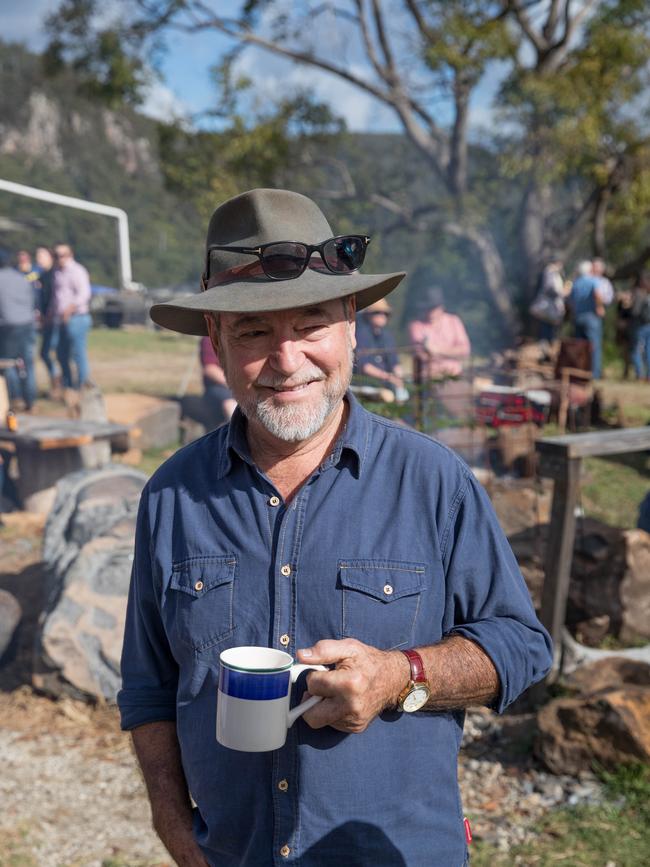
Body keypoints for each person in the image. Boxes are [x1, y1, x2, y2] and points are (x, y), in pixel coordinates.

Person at [118, 188, 552, 867]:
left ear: (351, 321)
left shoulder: (433, 480)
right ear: (218, 344)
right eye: (254, 332)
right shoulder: (171, 494)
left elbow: (521, 646)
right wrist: (175, 829)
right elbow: (147, 688)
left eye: (310, 324)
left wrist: (402, 673)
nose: (286, 360)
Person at [51, 243, 92, 390]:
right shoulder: (57, 272)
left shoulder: (77, 271)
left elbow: (84, 294)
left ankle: (82, 386)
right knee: (61, 354)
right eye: (55, 256)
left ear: (70, 255)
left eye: (61, 255)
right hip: (61, 319)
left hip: (77, 318)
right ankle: (68, 386)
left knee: (78, 354)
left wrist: (69, 309)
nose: (58, 259)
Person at [0, 248, 36, 410]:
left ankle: (16, 397)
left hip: (8, 327)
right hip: (28, 324)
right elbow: (32, 300)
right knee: (27, 363)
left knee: (8, 363)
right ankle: (30, 399)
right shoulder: (21, 278)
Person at [354, 297, 407, 398]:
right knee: (388, 396)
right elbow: (364, 366)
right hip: (366, 383)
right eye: (377, 313)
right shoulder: (361, 335)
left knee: (407, 393)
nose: (382, 316)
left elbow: (394, 363)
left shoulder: (387, 336)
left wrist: (399, 379)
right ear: (368, 315)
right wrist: (388, 377)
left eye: (385, 313)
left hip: (387, 382)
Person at [568, 260, 604, 379]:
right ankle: (595, 374)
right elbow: (597, 294)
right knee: (594, 346)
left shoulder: (576, 282)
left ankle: (580, 372)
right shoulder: (592, 281)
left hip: (578, 317)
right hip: (591, 317)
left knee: (579, 347)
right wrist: (599, 307)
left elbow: (570, 302)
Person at [34, 245, 61, 394]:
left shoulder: (54, 275)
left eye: (41, 255)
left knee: (52, 352)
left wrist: (49, 315)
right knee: (45, 353)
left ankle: (59, 384)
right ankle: (56, 382)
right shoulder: (42, 276)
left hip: (54, 319)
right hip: (46, 319)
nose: (38, 259)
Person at [199, 334, 236, 425]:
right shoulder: (209, 339)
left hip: (241, 385)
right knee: (230, 404)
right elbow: (210, 369)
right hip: (219, 387)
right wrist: (235, 384)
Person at [529, 255, 568, 342]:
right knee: (546, 331)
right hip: (547, 308)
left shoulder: (553, 272)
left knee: (549, 330)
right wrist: (562, 292)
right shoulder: (550, 272)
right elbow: (550, 289)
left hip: (551, 308)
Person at [630, 273, 650, 381]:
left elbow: (635, 312)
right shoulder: (647, 295)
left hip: (640, 326)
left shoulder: (639, 294)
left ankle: (640, 374)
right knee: (648, 350)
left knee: (636, 350)